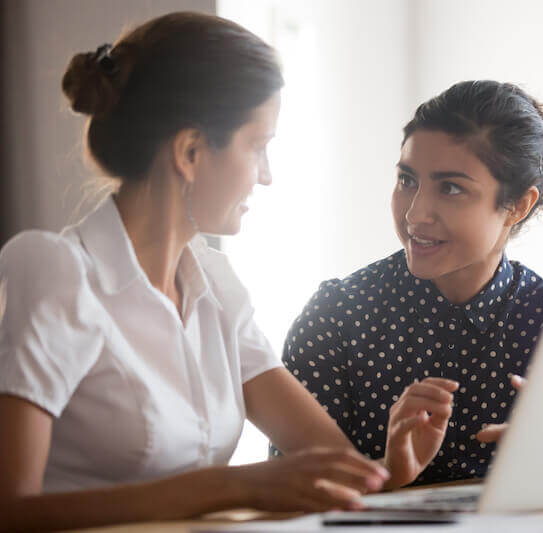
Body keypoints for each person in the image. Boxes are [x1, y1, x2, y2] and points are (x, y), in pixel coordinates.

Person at [0, 12, 440, 532]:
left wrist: (388, 471)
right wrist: (235, 486)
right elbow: (11, 510)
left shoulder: (216, 285)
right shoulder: (56, 270)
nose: (268, 175)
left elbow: (327, 462)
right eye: (258, 146)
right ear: (190, 152)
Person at [279, 80, 543, 485]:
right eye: (407, 180)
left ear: (517, 206)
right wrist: (388, 470)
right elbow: (290, 490)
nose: (416, 214)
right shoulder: (338, 315)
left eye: (451, 188)